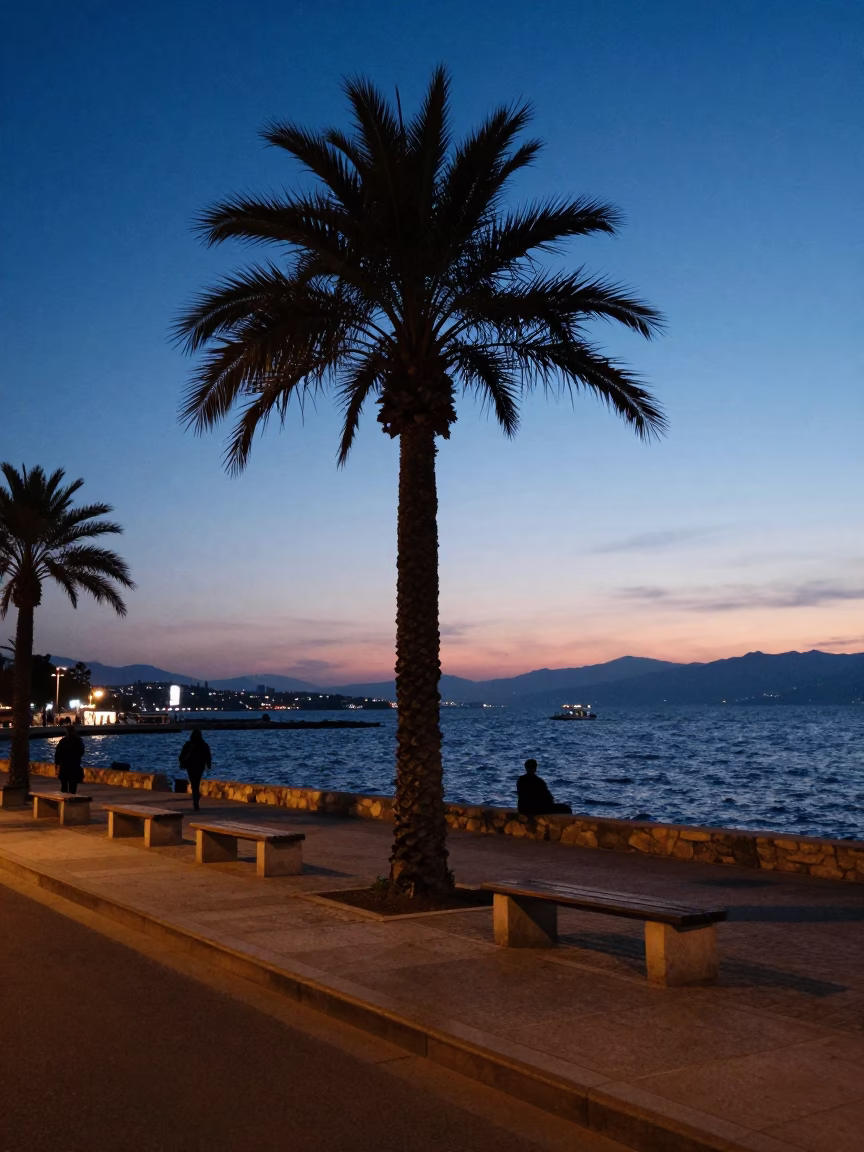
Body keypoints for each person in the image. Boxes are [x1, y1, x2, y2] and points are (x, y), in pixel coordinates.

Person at [179, 728, 211, 811]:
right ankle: (196, 799)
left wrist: (182, 763)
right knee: (196, 782)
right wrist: (208, 765)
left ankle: (195, 798)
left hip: (190, 766)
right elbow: (208, 756)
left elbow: (182, 755)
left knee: (193, 783)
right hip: (200, 767)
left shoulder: (188, 744)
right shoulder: (204, 744)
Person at [55, 724, 85, 794]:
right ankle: (72, 797)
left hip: (65, 765)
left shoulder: (63, 741)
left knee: (64, 785)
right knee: (73, 785)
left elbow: (58, 753)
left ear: (67, 731)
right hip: (74, 765)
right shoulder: (78, 740)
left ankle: (64, 798)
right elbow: (81, 751)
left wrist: (57, 763)